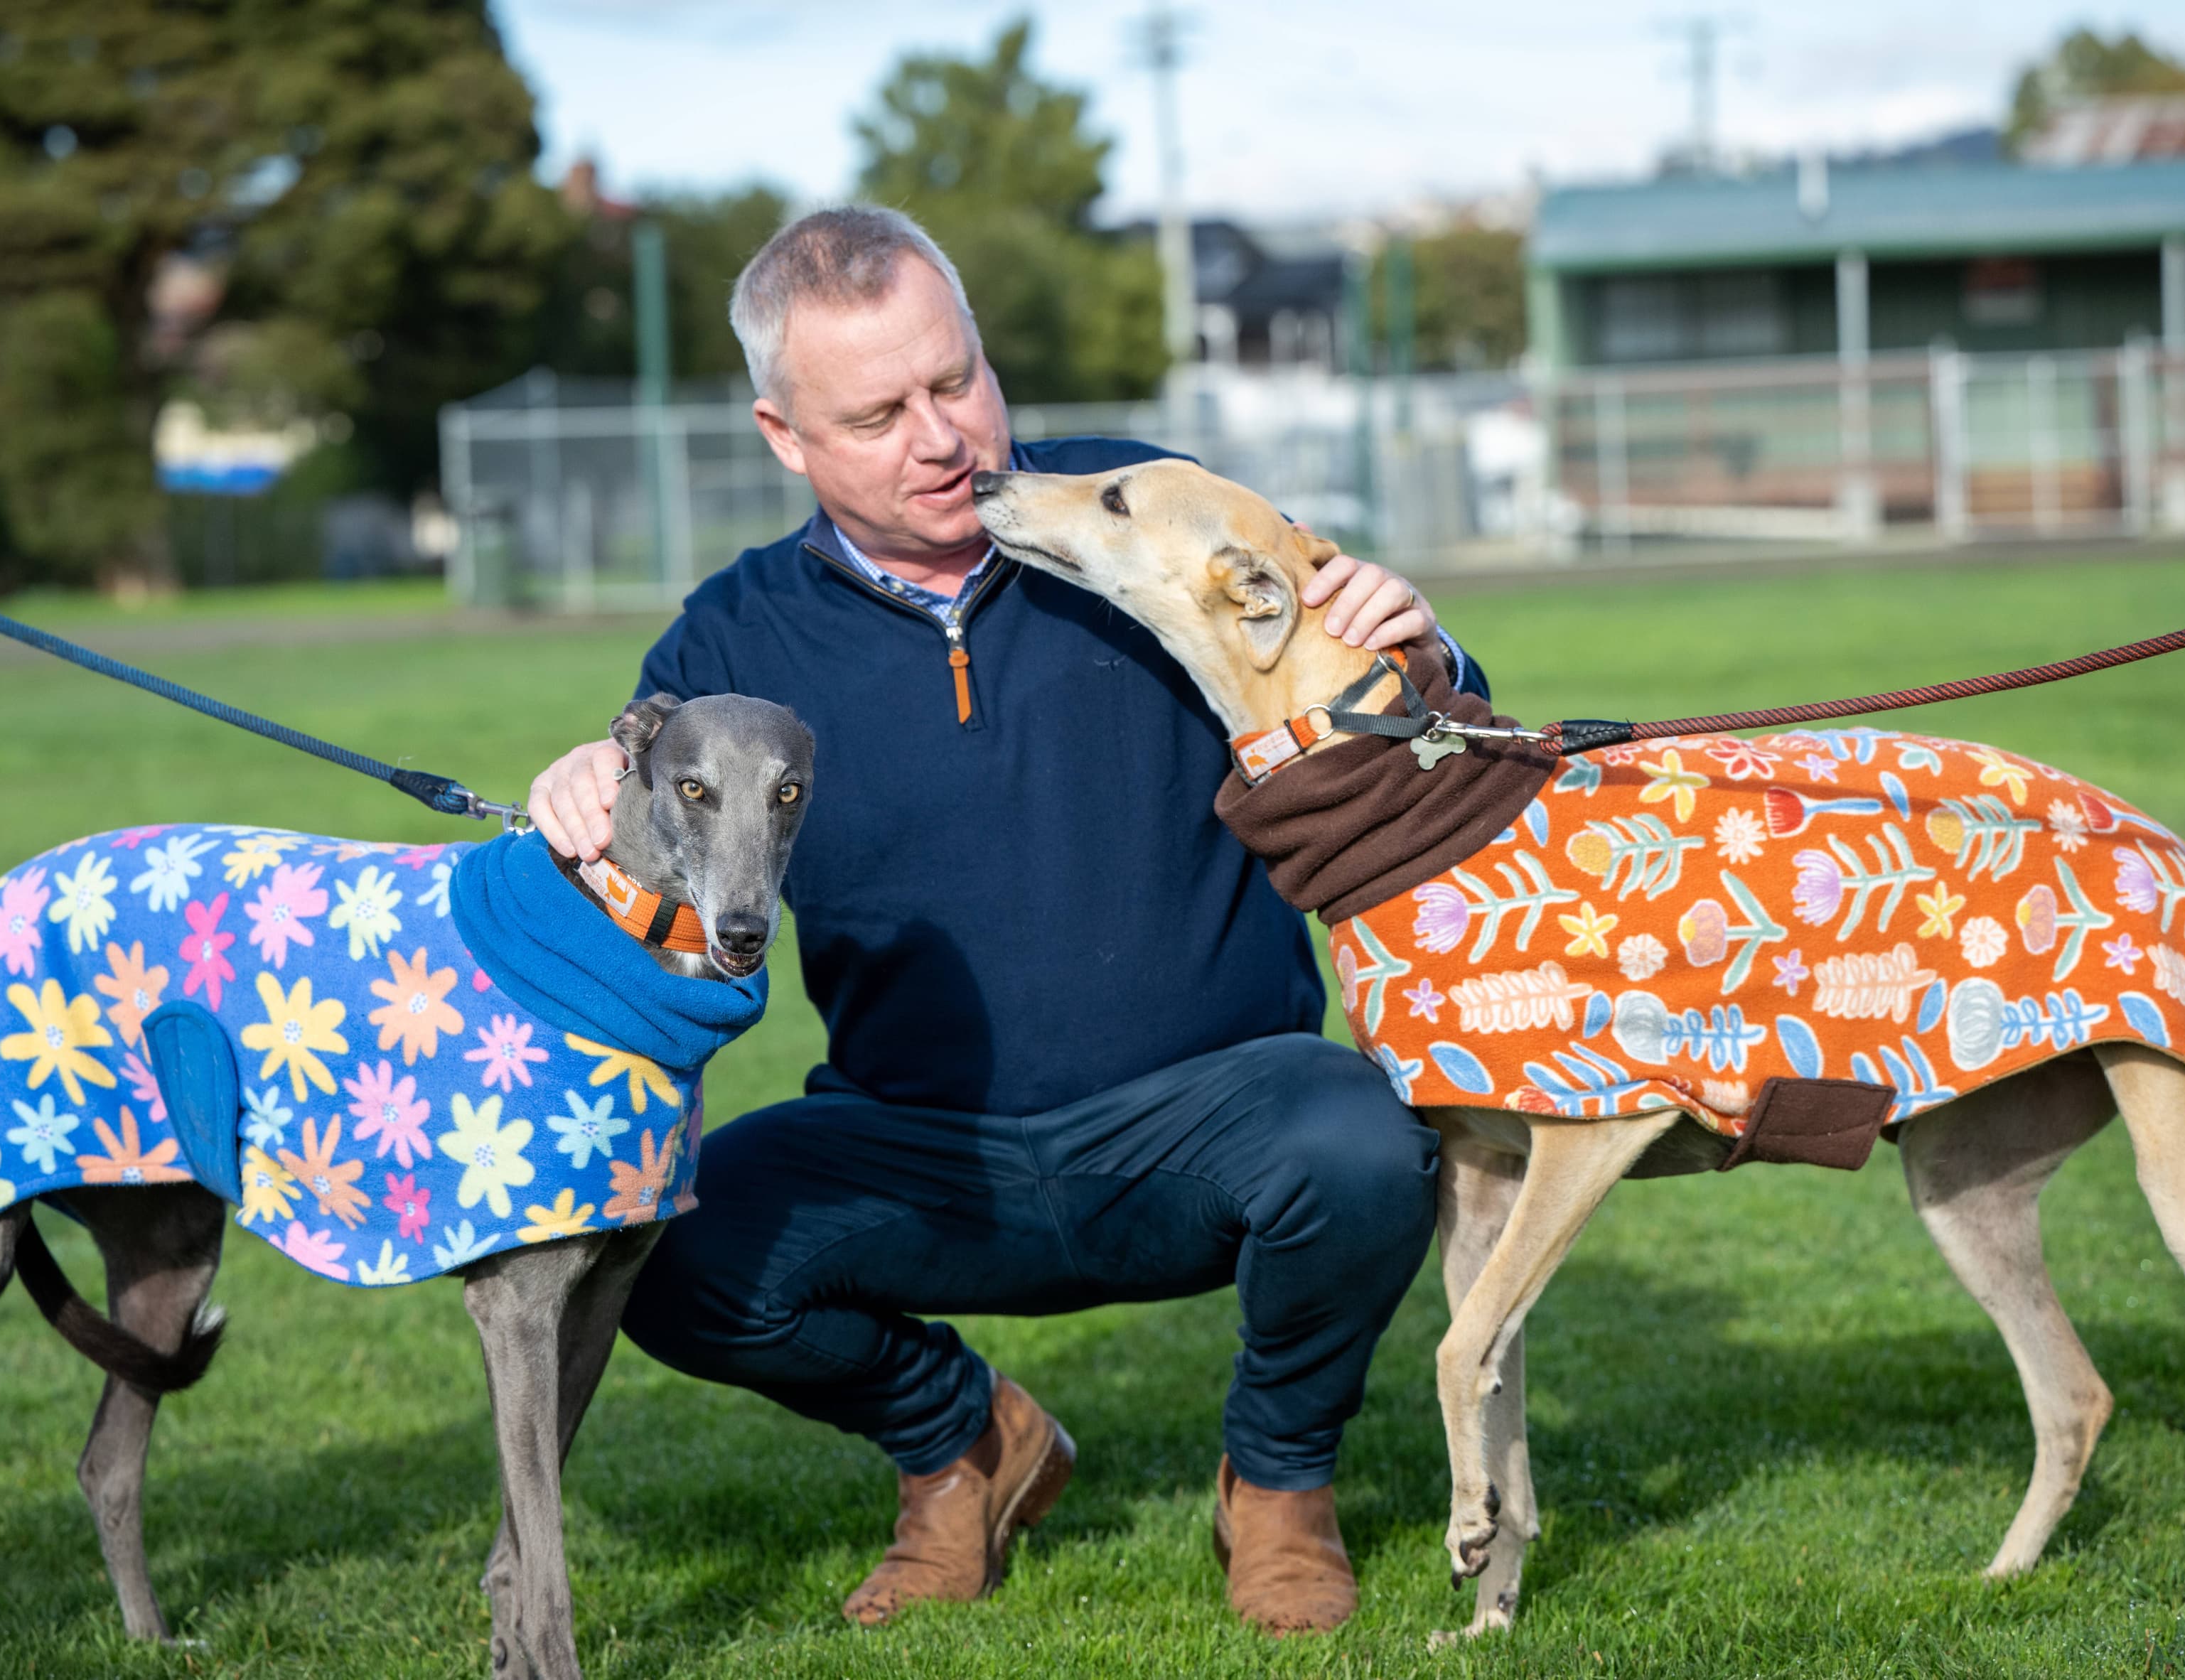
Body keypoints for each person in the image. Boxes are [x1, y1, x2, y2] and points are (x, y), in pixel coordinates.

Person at [524, 206, 1489, 1635]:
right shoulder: (733, 639)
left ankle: (1282, 1484)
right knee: (660, 1239)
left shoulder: (1154, 524)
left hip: (1212, 1114)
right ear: (785, 436)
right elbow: (638, 894)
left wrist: (1421, 646)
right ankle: (965, 1447)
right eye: (878, 415)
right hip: (920, 1149)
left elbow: (1433, 766)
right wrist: (583, 798)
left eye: (955, 379)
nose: (942, 437)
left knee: (1362, 1137)